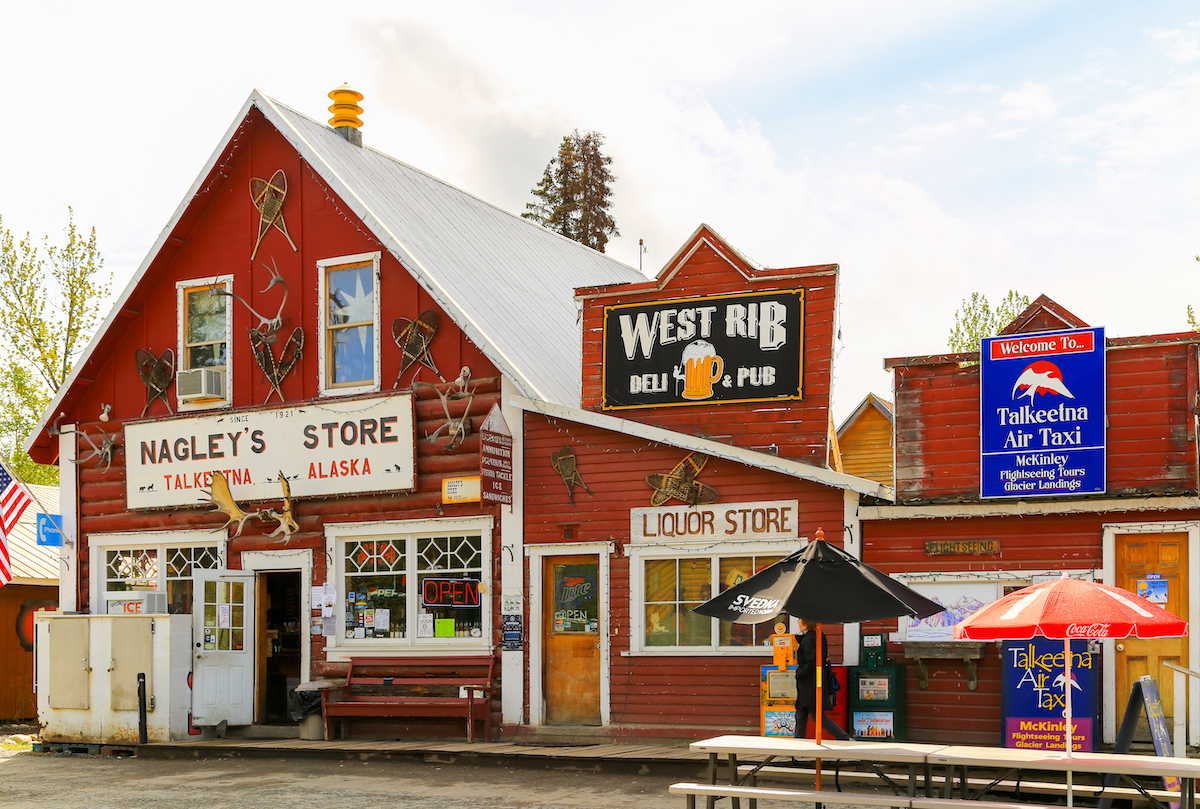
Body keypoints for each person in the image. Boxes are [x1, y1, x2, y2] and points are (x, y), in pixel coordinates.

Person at [793, 619, 850, 740]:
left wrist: (799, 673)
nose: (798, 624)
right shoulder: (817, 637)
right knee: (801, 715)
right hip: (813, 681)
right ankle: (798, 742)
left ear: (806, 624)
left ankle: (843, 736)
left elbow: (812, 661)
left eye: (800, 621)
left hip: (810, 683)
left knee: (817, 716)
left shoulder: (808, 640)